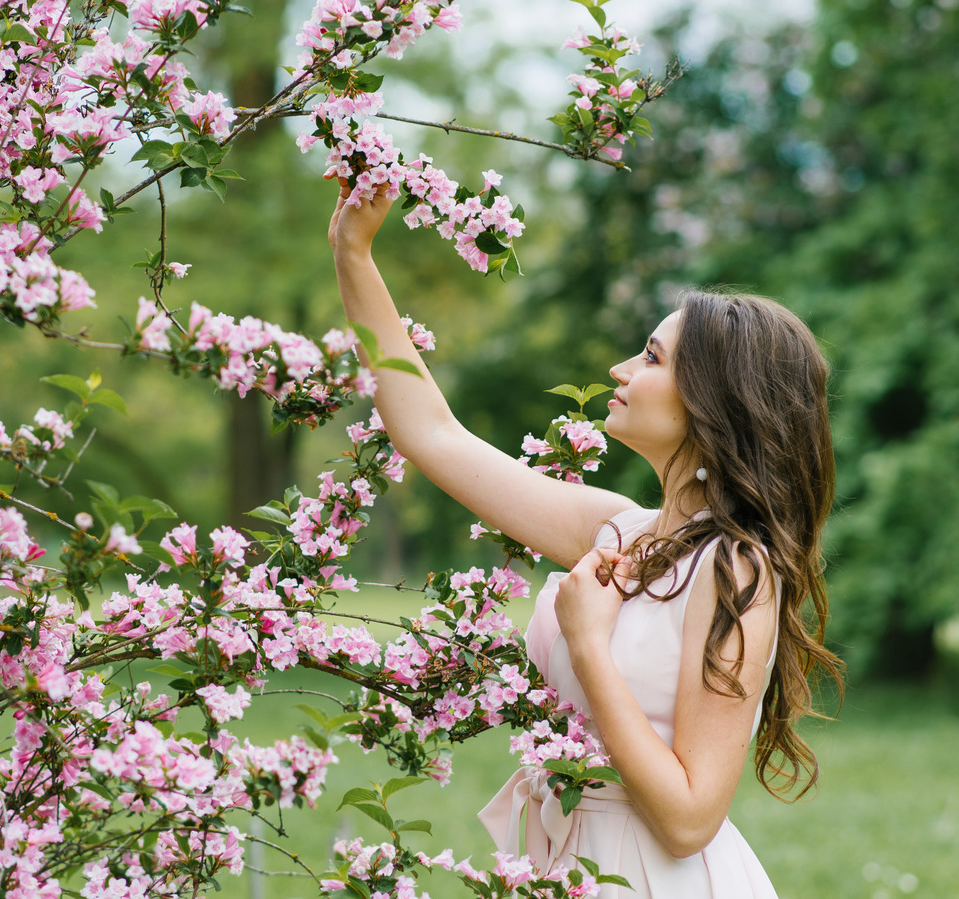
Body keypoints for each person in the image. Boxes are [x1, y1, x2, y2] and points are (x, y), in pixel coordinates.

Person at [327, 179, 843, 898]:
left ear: (713, 403)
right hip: (570, 865)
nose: (620, 370)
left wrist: (590, 643)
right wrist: (353, 252)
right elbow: (432, 434)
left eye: (652, 357)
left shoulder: (737, 570)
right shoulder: (616, 529)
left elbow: (690, 819)